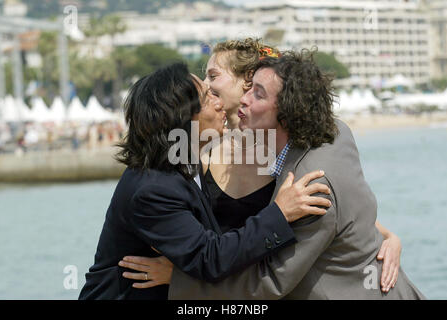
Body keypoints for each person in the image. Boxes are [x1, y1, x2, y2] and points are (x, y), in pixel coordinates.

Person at [119, 38, 402, 293]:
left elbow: (336, 210)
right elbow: (198, 240)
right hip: (227, 284)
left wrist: (389, 237)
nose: (207, 84)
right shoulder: (201, 151)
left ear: (246, 81)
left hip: (258, 286)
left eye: (213, 75)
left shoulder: (285, 152)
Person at [78, 62, 330, 300]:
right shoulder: (153, 189)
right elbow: (210, 259)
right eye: (208, 98)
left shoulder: (186, 163)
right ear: (183, 119)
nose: (220, 103)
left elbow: (220, 237)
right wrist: (280, 213)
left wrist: (363, 225)